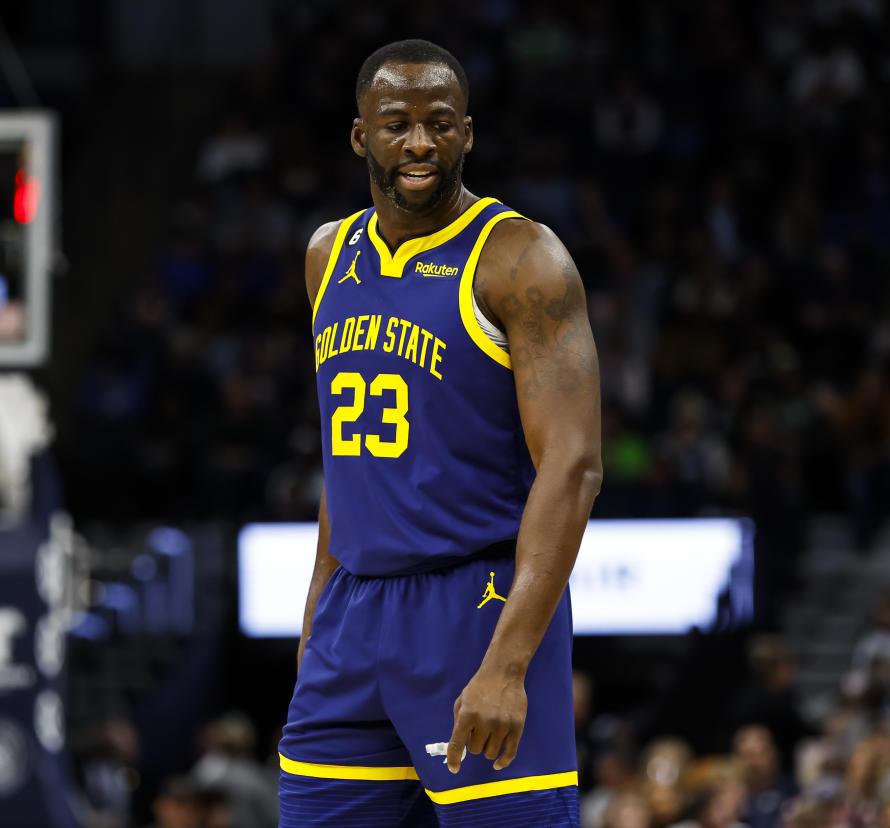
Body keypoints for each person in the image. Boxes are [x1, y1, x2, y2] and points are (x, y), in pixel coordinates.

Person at [278, 38, 602, 827]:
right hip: (352, 616)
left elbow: (573, 465)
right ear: (363, 137)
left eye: (440, 123)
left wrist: (509, 660)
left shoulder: (521, 260)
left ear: (467, 133)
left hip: (473, 607)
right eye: (397, 124)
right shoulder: (328, 255)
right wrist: (316, 615)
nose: (420, 142)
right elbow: (346, 460)